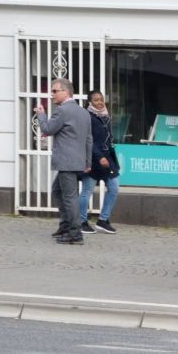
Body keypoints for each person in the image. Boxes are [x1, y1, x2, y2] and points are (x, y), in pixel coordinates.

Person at [35, 78, 92, 245]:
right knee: (57, 191)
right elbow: (89, 139)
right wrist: (87, 162)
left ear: (65, 92)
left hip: (66, 162)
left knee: (69, 197)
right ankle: (65, 225)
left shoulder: (62, 111)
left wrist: (41, 114)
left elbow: (47, 129)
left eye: (54, 91)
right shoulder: (83, 112)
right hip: (77, 161)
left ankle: (75, 234)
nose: (52, 94)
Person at [78, 90, 120, 234]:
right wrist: (98, 155)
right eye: (96, 100)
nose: (100, 102)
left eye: (101, 99)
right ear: (89, 102)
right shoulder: (87, 117)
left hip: (107, 158)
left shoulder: (105, 116)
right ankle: (81, 221)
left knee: (114, 188)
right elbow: (88, 140)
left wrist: (107, 155)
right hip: (93, 159)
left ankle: (103, 220)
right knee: (87, 190)